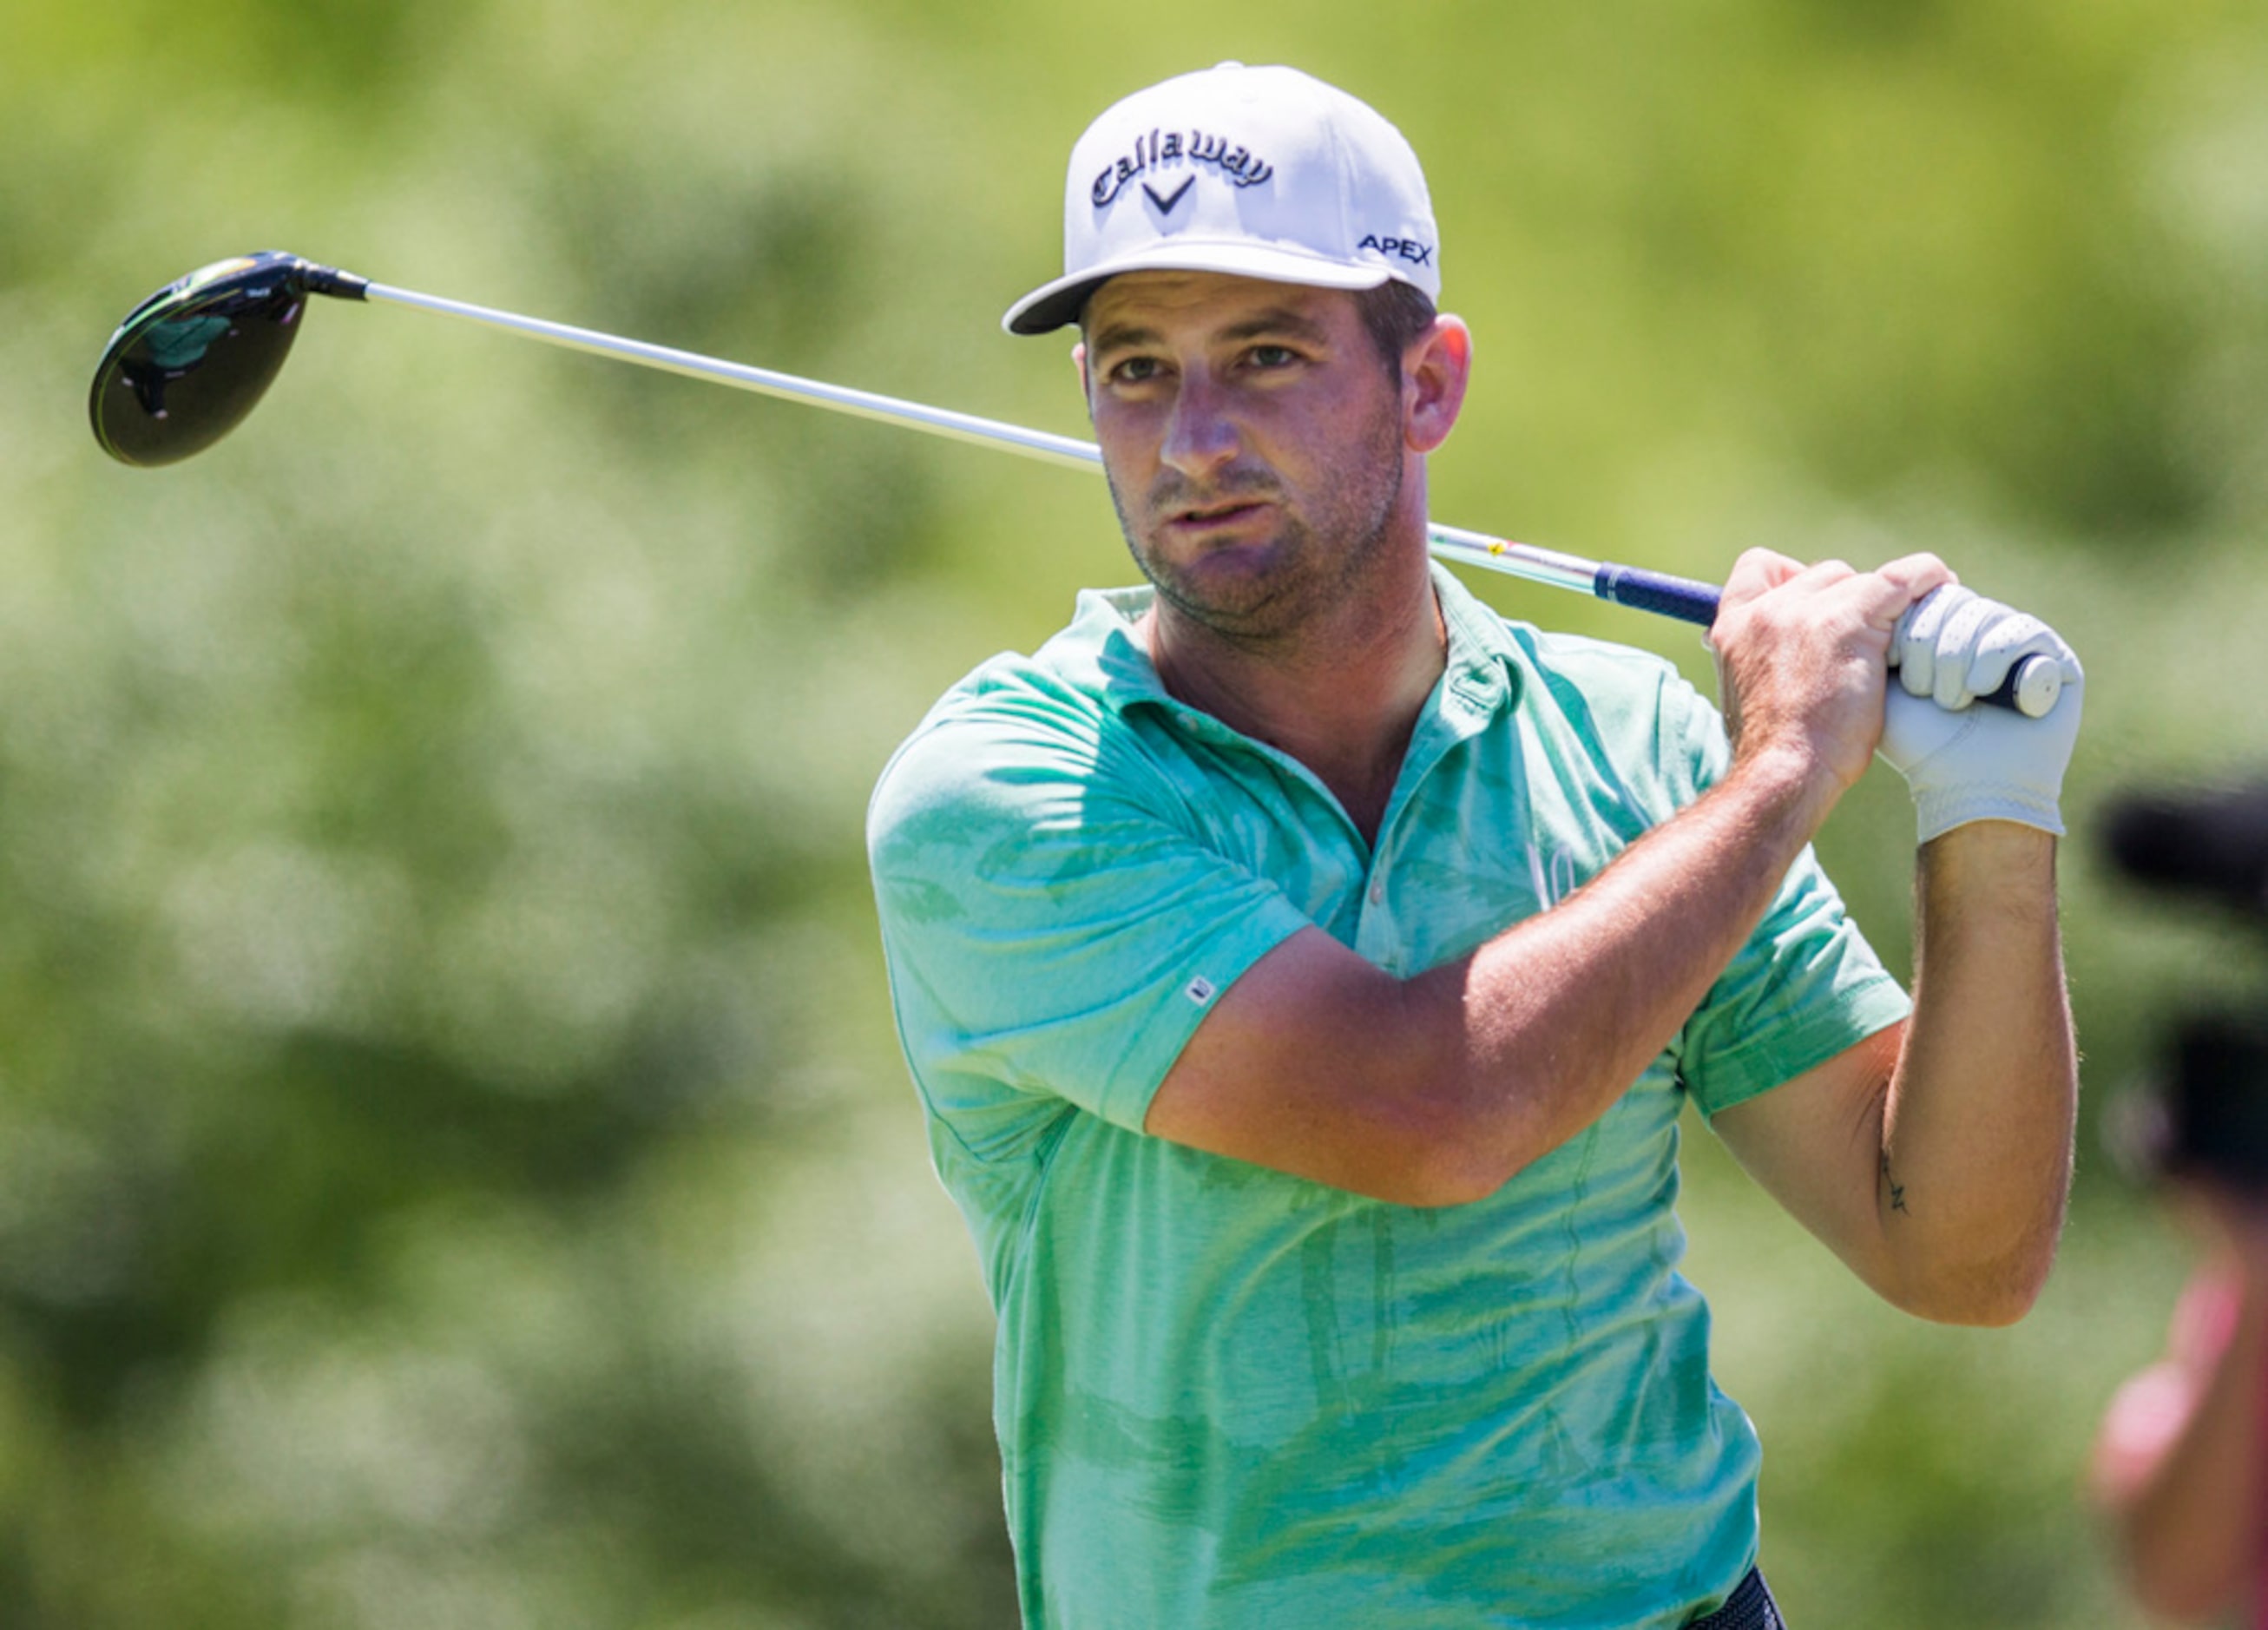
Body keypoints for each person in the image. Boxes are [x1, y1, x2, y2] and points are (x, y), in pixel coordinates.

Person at [867, 62, 2083, 1628]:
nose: (1190, 442)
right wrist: (1784, 764)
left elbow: (1958, 1256)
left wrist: (1988, 820)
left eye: (1265, 354)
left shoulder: (1631, 749)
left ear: (1426, 383)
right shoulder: (1009, 789)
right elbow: (1428, 1109)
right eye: (1134, 371)